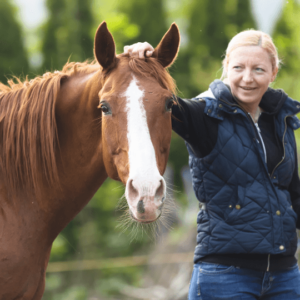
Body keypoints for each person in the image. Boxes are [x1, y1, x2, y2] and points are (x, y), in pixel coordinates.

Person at [124, 29, 300, 299]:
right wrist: (144, 64)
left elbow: (291, 193)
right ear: (226, 67)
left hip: (286, 277)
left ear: (273, 73)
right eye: (238, 67)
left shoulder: (281, 119)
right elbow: (156, 101)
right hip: (226, 276)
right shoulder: (203, 114)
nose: (247, 78)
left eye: (259, 69)